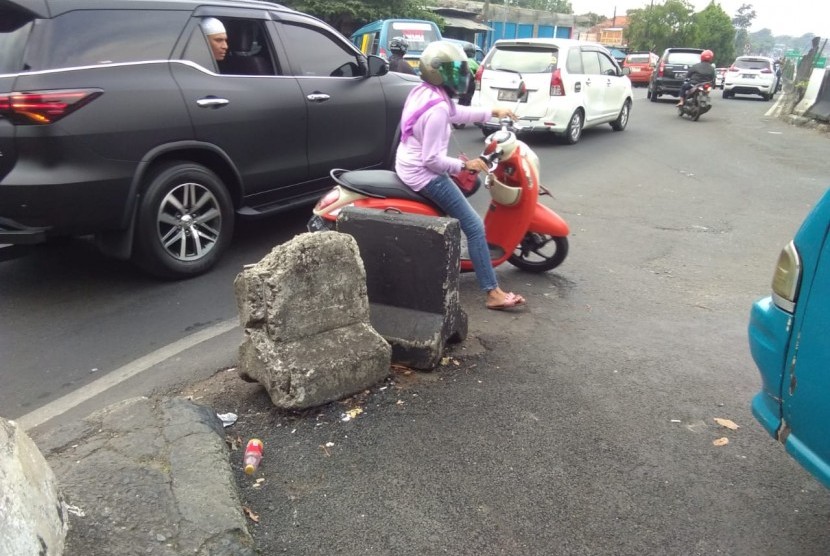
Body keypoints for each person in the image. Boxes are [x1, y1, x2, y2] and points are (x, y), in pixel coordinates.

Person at [395, 41, 525, 311]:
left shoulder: (425, 91)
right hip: (423, 174)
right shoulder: (437, 110)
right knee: (476, 228)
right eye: (454, 71)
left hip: (407, 164)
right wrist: (466, 165)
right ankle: (493, 293)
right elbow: (432, 160)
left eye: (460, 70)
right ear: (437, 72)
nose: (460, 77)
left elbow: (458, 113)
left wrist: (493, 111)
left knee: (467, 196)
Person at [457, 43, 479, 107]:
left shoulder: (460, 61)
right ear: (473, 53)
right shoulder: (475, 62)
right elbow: (479, 73)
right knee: (467, 101)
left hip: (460, 85)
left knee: (461, 101)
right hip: (470, 86)